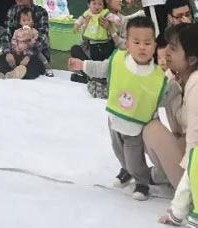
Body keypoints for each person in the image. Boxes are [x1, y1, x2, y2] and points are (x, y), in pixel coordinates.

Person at [69, 17, 166, 201]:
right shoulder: (118, 60)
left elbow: (163, 98)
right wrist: (82, 65)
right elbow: (101, 69)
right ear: (127, 44)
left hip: (136, 125)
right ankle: (126, 170)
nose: (142, 47)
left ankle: (142, 182)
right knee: (118, 150)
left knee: (134, 156)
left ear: (154, 46)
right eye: (136, 42)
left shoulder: (158, 76)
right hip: (115, 118)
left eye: (147, 43)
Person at [142, 23, 198, 188]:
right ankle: (166, 175)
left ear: (192, 59)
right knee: (143, 120)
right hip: (196, 153)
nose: (166, 52)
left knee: (152, 129)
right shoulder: (176, 76)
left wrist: (190, 191)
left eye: (173, 49)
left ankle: (188, 189)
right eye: (168, 45)